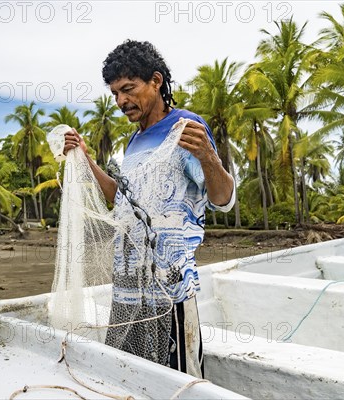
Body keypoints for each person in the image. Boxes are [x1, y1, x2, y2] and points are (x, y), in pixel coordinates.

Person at [62, 40, 235, 378]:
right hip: (128, 283)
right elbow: (122, 200)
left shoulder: (186, 128)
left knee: (177, 377)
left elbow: (223, 199)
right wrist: (86, 159)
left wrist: (209, 158)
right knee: (133, 374)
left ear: (156, 81)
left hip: (169, 284)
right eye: (114, 94)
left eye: (128, 89)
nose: (121, 101)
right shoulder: (134, 142)